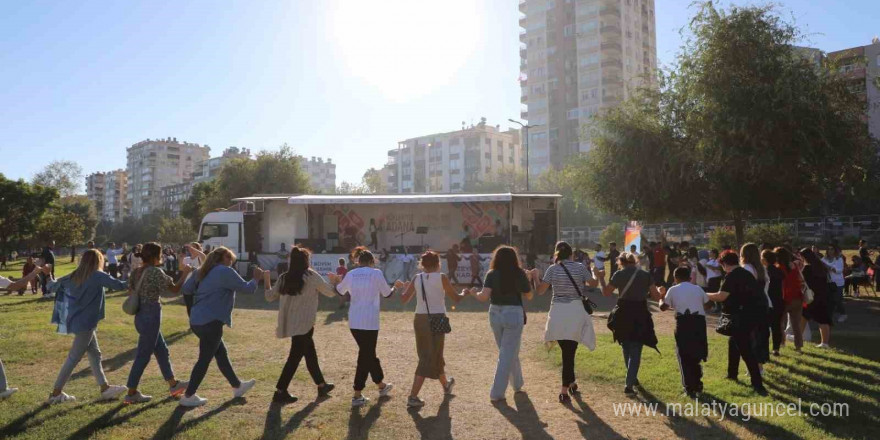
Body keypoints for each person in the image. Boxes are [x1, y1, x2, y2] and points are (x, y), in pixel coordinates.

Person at [179, 246, 264, 407]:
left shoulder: (201, 270)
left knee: (220, 353)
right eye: (229, 259)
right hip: (212, 322)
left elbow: (186, 290)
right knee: (204, 359)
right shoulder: (224, 271)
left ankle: (237, 386)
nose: (231, 263)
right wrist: (256, 278)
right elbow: (248, 288)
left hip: (197, 321)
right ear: (222, 259)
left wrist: (192, 311)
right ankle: (189, 396)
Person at [45, 250, 129, 404]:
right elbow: (120, 285)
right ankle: (56, 393)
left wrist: (47, 274)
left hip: (77, 321)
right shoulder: (97, 275)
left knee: (95, 354)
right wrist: (138, 276)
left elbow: (52, 286)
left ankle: (105, 388)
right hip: (87, 323)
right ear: (98, 261)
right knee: (73, 358)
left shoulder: (74, 275)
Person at [264, 247, 337, 404]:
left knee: (310, 353)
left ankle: (321, 385)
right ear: (306, 261)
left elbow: (270, 297)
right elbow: (330, 292)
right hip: (305, 323)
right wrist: (335, 281)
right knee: (295, 357)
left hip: (291, 323)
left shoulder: (284, 277)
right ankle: (280, 391)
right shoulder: (310, 276)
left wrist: (266, 279)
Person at [123, 242, 192, 404]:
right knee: (143, 356)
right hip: (151, 315)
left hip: (140, 315)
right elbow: (174, 289)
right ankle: (131, 392)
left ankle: (173, 384)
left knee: (161, 350)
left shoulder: (136, 272)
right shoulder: (156, 272)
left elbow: (130, 291)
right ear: (156, 256)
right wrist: (185, 274)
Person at [465, 246, 533, 403]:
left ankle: (517, 384)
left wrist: (474, 293)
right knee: (507, 353)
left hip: (495, 313)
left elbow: (483, 297)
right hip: (513, 313)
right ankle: (497, 392)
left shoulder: (492, 274)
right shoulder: (519, 273)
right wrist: (528, 280)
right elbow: (529, 295)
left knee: (508, 351)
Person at [328, 249, 395, 407]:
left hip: (355, 321)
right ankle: (357, 394)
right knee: (366, 356)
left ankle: (381, 385)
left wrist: (335, 281)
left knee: (367, 354)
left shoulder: (351, 274)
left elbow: (339, 291)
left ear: (358, 261)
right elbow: (387, 294)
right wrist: (395, 288)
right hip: (370, 322)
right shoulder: (376, 273)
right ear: (372, 261)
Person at [534, 241, 598, 404]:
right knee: (569, 351)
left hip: (558, 312)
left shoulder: (552, 269)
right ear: (572, 254)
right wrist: (596, 273)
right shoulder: (579, 267)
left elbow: (540, 291)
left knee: (567, 351)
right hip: (575, 311)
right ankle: (565, 389)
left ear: (556, 254)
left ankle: (571, 383)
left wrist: (535, 277)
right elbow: (593, 284)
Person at [398, 251, 465, 408]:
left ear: (422, 264)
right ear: (438, 263)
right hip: (437, 318)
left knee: (434, 353)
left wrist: (404, 287)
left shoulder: (416, 278)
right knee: (428, 357)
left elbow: (403, 299)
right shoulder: (441, 277)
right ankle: (413, 396)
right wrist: (465, 292)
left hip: (420, 319)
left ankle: (446, 385)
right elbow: (456, 298)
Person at [706, 250, 768, 396]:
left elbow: (721, 296)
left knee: (745, 349)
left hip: (743, 316)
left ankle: (758, 384)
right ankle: (732, 374)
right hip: (752, 314)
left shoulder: (732, 276)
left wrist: (702, 294)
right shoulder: (744, 273)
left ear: (725, 264)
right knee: (733, 343)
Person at [599, 252, 661, 395]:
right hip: (640, 313)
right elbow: (656, 297)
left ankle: (631, 379)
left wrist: (601, 278)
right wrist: (659, 290)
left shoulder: (619, 274)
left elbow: (606, 293)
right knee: (636, 349)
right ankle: (629, 383)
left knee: (626, 347)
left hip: (623, 313)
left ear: (621, 262)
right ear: (635, 261)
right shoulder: (645, 275)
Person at [659, 267, 711, 398]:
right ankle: (697, 383)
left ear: (675, 278)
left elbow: (663, 307)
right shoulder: (698, 288)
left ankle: (689, 387)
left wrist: (661, 295)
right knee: (697, 352)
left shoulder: (673, 289)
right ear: (690, 277)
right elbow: (709, 305)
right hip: (699, 322)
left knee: (683, 353)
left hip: (683, 322)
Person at [740, 243, 772, 372]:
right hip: (764, 303)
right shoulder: (761, 268)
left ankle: (754, 367)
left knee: (751, 337)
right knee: (760, 336)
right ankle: (759, 366)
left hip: (751, 306)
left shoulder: (746, 268)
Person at [799, 248, 832, 348]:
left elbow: (802, 281)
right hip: (822, 296)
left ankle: (799, 336)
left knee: (804, 316)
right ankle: (824, 342)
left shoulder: (807, 268)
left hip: (811, 297)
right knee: (822, 319)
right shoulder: (821, 266)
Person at [775, 247, 803, 352]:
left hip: (784, 298)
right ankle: (798, 346)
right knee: (796, 324)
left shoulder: (778, 268)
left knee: (780, 323)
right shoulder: (795, 265)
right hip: (797, 297)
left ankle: (782, 342)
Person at [763, 250, 786, 356]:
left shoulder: (765, 271)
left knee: (765, 326)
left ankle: (765, 347)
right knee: (776, 325)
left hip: (769, 300)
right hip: (779, 300)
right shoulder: (779, 271)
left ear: (765, 259)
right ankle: (776, 348)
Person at [822, 246, 847, 323]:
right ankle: (830, 316)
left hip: (838, 283)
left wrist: (829, 267)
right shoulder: (823, 259)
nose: (830, 251)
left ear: (835, 250)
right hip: (828, 282)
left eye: (832, 249)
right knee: (829, 300)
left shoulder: (839, 259)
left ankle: (843, 314)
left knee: (837, 299)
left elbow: (839, 270)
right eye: (828, 249)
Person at [181, 242, 206, 315]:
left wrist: (196, 250)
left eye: (194, 247)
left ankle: (198, 323)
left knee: (198, 305)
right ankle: (192, 323)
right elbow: (182, 269)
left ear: (198, 249)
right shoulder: (186, 259)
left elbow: (204, 256)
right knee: (189, 306)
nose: (191, 249)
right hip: (187, 285)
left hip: (198, 285)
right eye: (190, 247)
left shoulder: (200, 258)